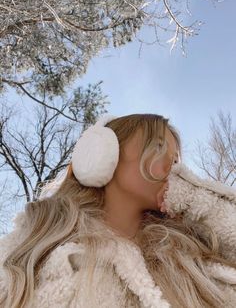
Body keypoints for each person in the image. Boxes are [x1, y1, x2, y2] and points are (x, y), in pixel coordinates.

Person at [0, 113, 235, 308]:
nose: (175, 168)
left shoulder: (187, 255)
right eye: (159, 147)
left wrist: (197, 199)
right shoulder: (32, 245)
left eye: (176, 160)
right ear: (101, 155)